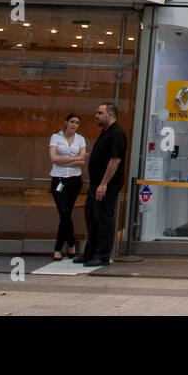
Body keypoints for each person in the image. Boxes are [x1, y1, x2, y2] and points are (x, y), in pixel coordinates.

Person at [76, 102, 128, 268]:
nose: (96, 116)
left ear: (110, 114)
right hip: (96, 184)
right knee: (92, 217)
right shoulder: (105, 133)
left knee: (104, 219)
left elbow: (115, 160)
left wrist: (104, 184)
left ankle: (102, 255)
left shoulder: (117, 134)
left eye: (100, 113)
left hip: (106, 186)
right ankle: (90, 252)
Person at [48, 113, 88, 260]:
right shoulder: (55, 137)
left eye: (77, 123)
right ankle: (69, 243)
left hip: (74, 180)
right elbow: (53, 158)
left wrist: (65, 160)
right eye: (71, 122)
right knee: (64, 213)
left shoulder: (80, 139)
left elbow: (82, 161)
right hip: (58, 179)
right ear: (65, 122)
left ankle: (64, 247)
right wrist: (75, 158)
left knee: (67, 212)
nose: (74, 125)